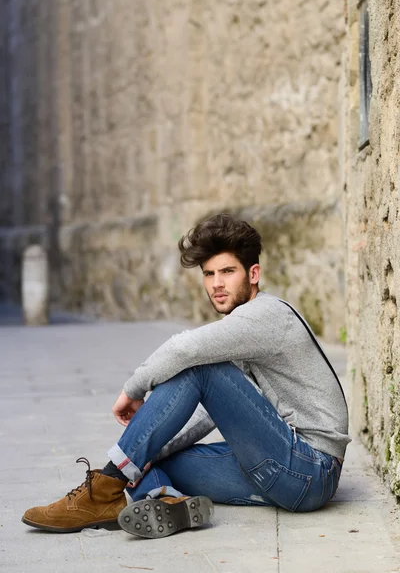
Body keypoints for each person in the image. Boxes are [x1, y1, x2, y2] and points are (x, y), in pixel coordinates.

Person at [22, 213, 351, 538]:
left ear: (253, 274)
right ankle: (163, 498)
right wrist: (148, 452)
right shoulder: (244, 332)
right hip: (288, 473)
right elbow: (209, 412)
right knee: (154, 460)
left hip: (308, 467)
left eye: (227, 272)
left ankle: (103, 488)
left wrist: (132, 390)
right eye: (208, 274)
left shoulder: (266, 315)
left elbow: (185, 350)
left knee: (200, 367)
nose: (216, 284)